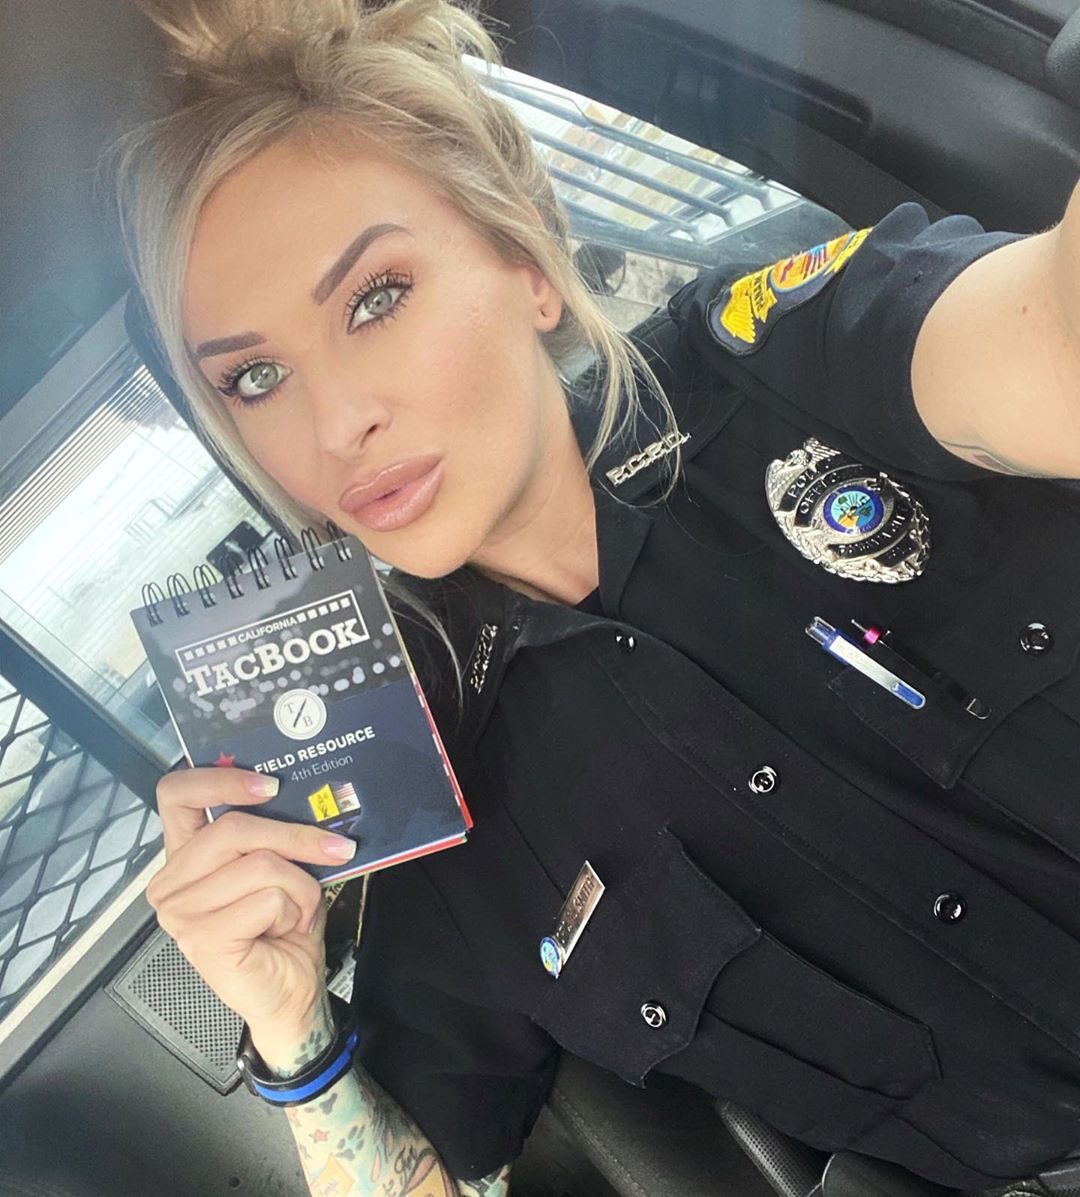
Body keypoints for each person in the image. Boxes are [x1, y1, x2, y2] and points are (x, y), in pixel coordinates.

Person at [118, 1, 1080, 1194]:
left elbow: (1052, 343)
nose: (335, 424)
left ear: (527, 263)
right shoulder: (429, 798)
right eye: (257, 377)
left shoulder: (784, 357)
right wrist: (289, 1026)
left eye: (375, 298)